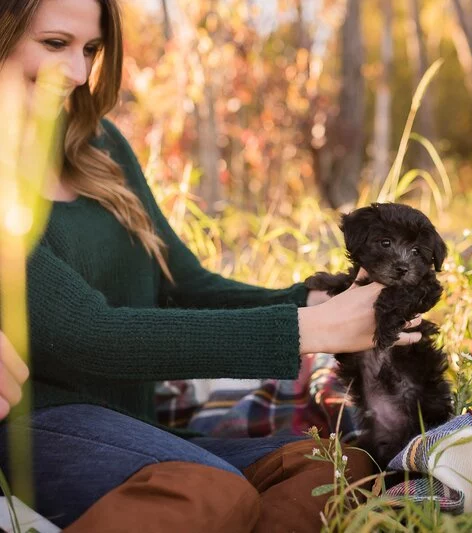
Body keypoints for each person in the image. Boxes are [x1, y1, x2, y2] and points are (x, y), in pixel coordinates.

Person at [0, 0, 423, 530]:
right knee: (211, 497)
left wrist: (316, 299)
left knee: (337, 468)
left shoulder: (99, 147)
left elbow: (184, 284)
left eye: (90, 50)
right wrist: (305, 329)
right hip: (38, 428)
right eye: (55, 44)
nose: (80, 73)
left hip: (137, 428)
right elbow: (87, 333)